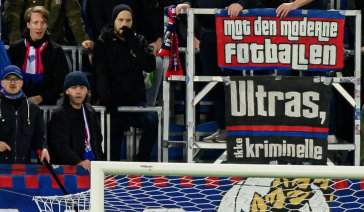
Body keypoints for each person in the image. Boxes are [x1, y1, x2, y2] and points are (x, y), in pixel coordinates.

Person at [174, 1, 259, 143]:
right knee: (214, 84)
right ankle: (223, 128)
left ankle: (238, 129)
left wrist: (241, 4)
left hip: (235, 33)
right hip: (207, 35)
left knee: (233, 84)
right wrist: (186, 4)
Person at [92, 4, 158, 162]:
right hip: (114, 103)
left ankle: (142, 161)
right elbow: (100, 76)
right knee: (114, 131)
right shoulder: (102, 43)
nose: (124, 24)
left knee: (152, 119)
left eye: (128, 20)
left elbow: (149, 66)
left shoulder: (139, 40)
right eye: (120, 20)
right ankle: (112, 170)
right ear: (114, 21)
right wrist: (109, 101)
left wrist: (133, 42)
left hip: (136, 103)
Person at [7, 7, 69, 106]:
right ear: (28, 24)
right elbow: (8, 77)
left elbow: (61, 82)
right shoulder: (15, 49)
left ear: (46, 25)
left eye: (43, 22)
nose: (39, 27)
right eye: (35, 22)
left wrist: (42, 97)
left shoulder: (56, 50)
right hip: (17, 104)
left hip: (47, 106)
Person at [47, 71, 106, 168]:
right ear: (66, 91)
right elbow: (60, 146)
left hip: (92, 166)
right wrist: (78, 161)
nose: (78, 91)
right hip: (69, 169)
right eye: (74, 87)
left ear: (87, 90)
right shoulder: (59, 114)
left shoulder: (90, 110)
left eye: (82, 87)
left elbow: (97, 140)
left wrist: (100, 163)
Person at [0, 65, 48, 164]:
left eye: (16, 79)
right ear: (2, 83)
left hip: (23, 168)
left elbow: (39, 140)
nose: (12, 83)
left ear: (22, 83)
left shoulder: (34, 110)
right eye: (8, 79)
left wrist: (43, 149)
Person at [4, 0, 93, 48]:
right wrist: (17, 42)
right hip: (27, 42)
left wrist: (83, 39)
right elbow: (12, 15)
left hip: (56, 42)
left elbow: (74, 14)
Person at [88, 0, 163, 50]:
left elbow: (154, 13)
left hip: (142, 44)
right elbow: (98, 22)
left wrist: (159, 38)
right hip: (111, 47)